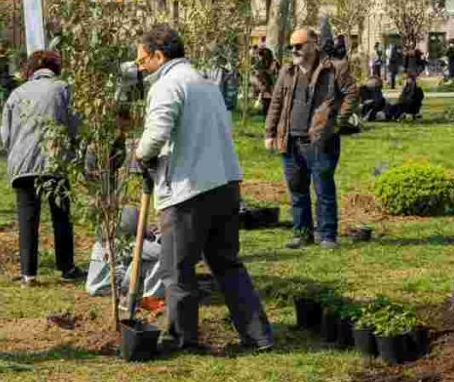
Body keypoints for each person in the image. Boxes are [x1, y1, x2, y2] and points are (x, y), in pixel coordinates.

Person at [134, 24, 272, 353]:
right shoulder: (207, 85)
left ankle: (183, 339)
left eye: (142, 61)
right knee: (227, 263)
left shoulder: (168, 85)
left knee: (176, 269)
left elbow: (156, 133)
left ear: (158, 55)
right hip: (225, 185)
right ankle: (258, 335)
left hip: (188, 191)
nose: (141, 68)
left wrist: (139, 155)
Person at [265, 28, 358, 250]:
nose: (294, 50)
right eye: (292, 47)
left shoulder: (334, 68)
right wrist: (269, 132)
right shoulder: (287, 72)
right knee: (297, 188)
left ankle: (327, 236)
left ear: (313, 44)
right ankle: (302, 233)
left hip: (321, 140)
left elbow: (352, 94)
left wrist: (336, 123)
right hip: (291, 139)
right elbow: (276, 102)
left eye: (299, 45)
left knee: (323, 189)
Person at [1, 50, 84, 285]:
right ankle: (66, 267)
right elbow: (75, 124)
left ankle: (29, 273)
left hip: (23, 164)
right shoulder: (62, 89)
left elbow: (5, 134)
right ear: (55, 68)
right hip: (54, 162)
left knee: (28, 219)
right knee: (61, 216)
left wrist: (17, 151)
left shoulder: (16, 93)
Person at [85, 205, 165, 308]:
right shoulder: (126, 244)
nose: (145, 225)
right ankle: (151, 298)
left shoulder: (110, 238)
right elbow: (160, 252)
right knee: (158, 261)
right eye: (142, 223)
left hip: (98, 284)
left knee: (144, 259)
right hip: (107, 287)